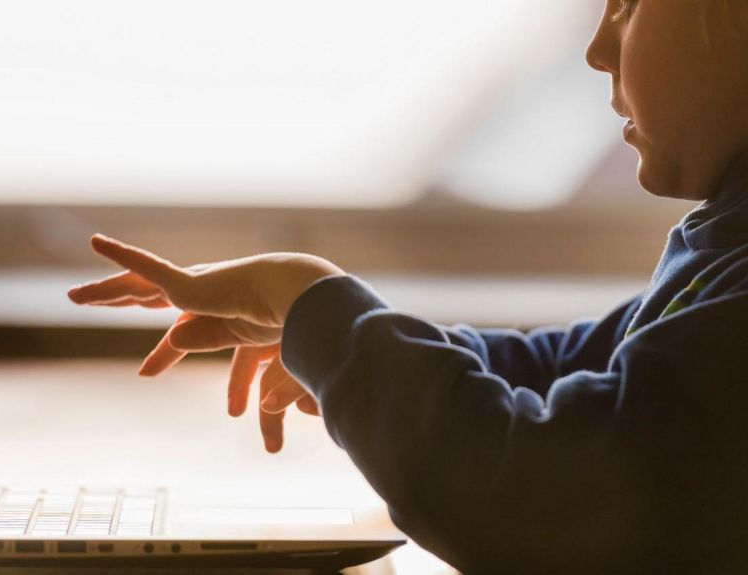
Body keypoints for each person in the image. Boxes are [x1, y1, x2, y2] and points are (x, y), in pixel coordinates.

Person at [68, 1, 748, 572]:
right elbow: (564, 368)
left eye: (628, 5)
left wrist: (313, 302)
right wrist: (335, 339)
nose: (599, 49)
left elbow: (526, 494)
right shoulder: (725, 246)